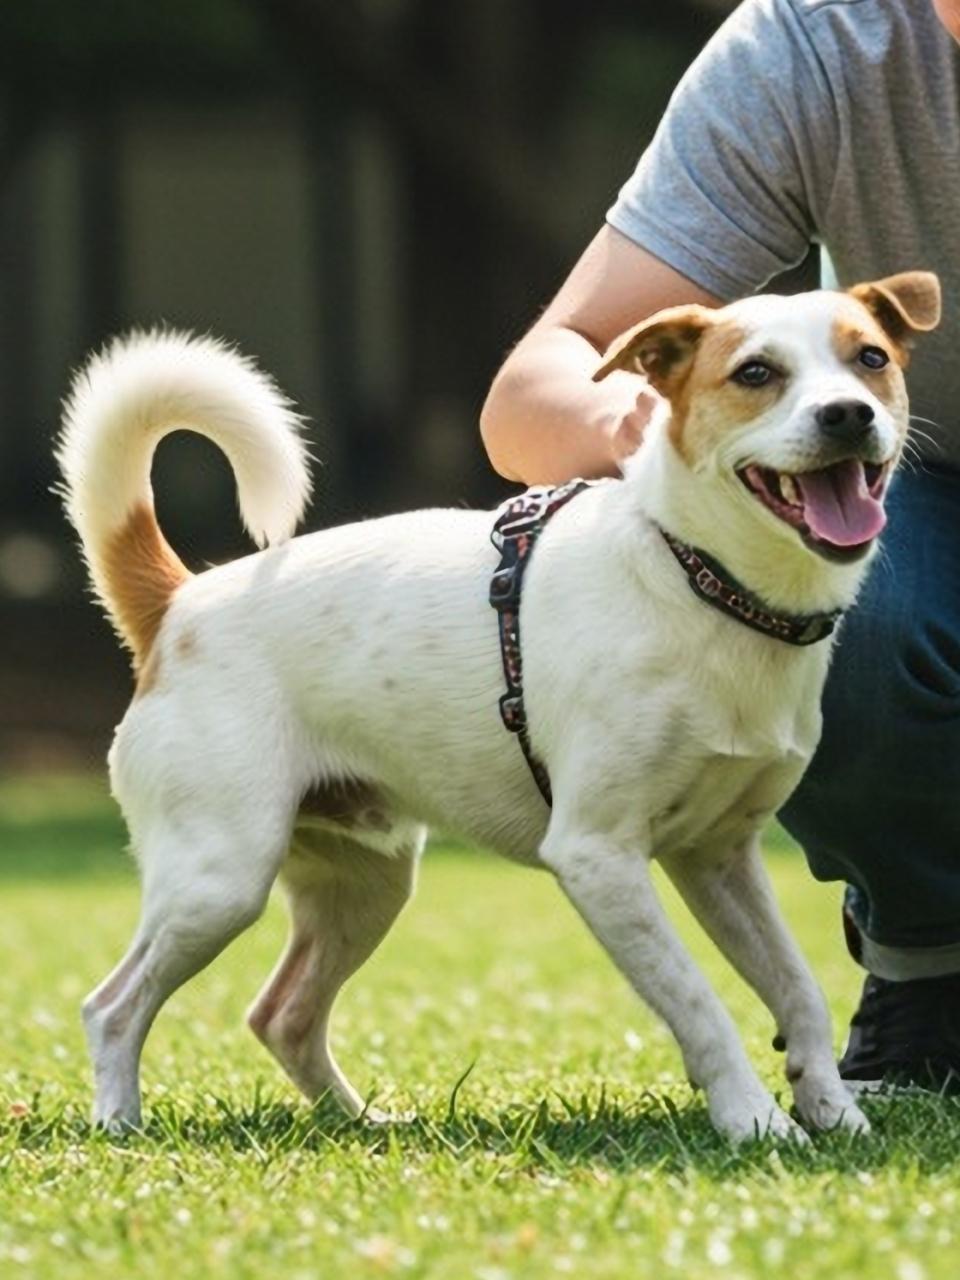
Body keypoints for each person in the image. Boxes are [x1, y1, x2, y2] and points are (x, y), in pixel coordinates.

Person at [480, 0, 960, 1090]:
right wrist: (632, 423)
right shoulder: (815, 45)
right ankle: (932, 960)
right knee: (835, 612)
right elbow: (532, 392)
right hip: (921, 491)